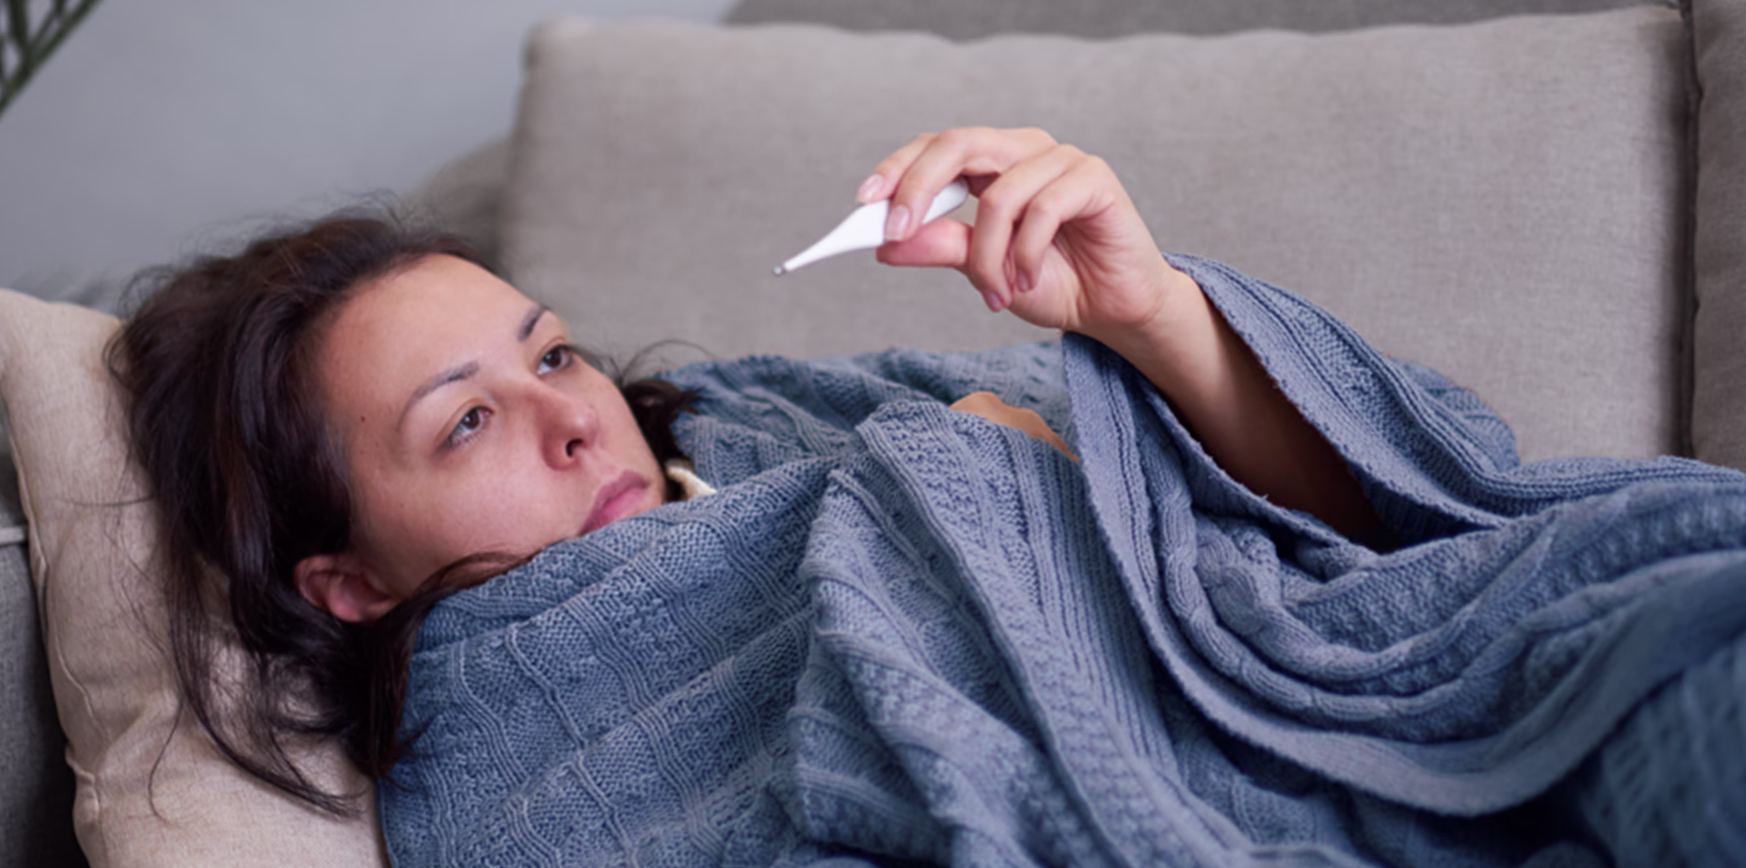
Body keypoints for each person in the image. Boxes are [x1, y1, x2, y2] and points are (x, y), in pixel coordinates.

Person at [111, 127, 1386, 813]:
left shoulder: (763, 420)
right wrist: (995, 496)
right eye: (462, 425)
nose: (571, 423)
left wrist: (1144, 314)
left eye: (551, 354)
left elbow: (1365, 534)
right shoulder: (515, 751)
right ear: (347, 586)